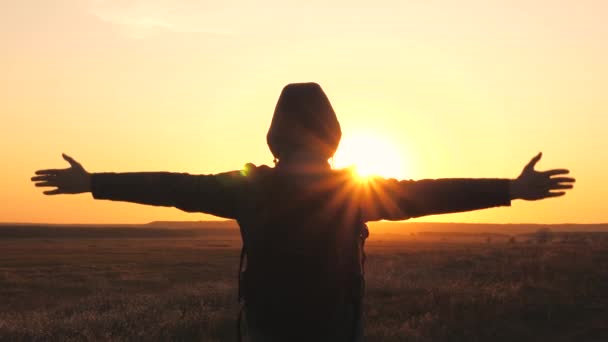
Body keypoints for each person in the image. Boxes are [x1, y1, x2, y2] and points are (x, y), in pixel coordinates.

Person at [31, 83, 575, 341]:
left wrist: (94, 183)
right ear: (332, 138)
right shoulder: (355, 192)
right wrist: (510, 188)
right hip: (335, 325)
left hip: (268, 326)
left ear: (274, 137)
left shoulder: (245, 189)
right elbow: (429, 193)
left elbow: (170, 186)